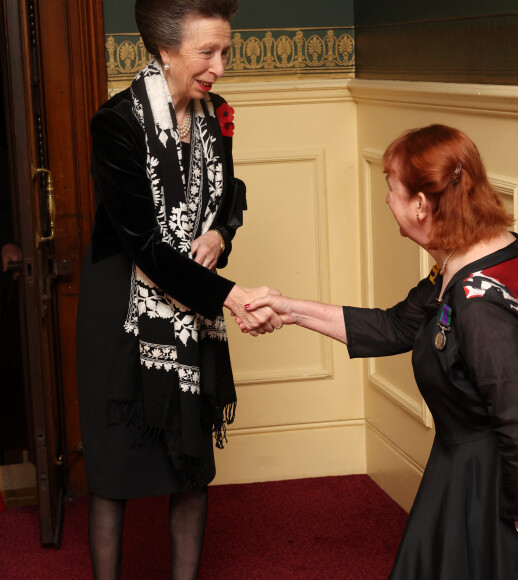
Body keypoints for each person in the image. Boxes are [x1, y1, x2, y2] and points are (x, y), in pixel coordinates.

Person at [243, 124, 518, 580]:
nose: (386, 200)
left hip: (498, 482)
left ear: (420, 204)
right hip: (483, 463)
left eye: (391, 188)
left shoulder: (478, 303)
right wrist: (289, 309)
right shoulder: (479, 257)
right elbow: (394, 326)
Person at [76, 1, 280, 578]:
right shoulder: (115, 123)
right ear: (164, 50)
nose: (220, 67)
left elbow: (229, 197)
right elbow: (146, 245)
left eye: (225, 52)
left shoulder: (215, 116)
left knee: (191, 469)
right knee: (113, 477)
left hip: (192, 313)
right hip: (123, 312)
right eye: (207, 53)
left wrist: (219, 233)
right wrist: (232, 296)